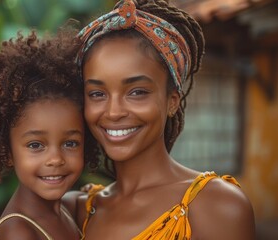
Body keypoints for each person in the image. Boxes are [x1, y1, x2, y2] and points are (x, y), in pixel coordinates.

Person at [63, 0, 256, 239]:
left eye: (137, 92)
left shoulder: (216, 206)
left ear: (172, 101)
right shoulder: (79, 210)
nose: (113, 112)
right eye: (97, 94)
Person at [0, 29, 98, 240]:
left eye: (70, 143)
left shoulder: (69, 210)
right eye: (36, 145)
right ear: (7, 151)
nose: (55, 159)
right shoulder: (19, 232)